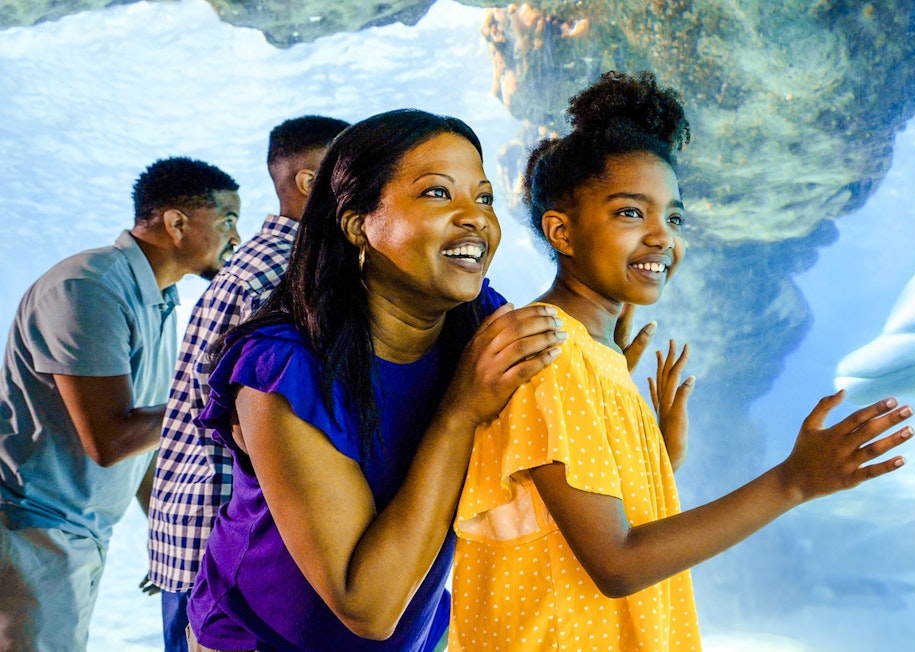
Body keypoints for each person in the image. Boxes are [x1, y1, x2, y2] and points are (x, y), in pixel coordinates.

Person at [449, 71, 915, 651]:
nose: (662, 237)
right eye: (629, 213)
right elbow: (615, 565)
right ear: (561, 232)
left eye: (674, 218)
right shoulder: (550, 354)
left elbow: (568, 521)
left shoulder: (596, 351)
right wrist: (793, 482)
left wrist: (659, 456)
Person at [183, 108, 574, 652]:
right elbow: (365, 605)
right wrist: (460, 409)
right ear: (357, 223)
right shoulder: (281, 372)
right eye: (438, 194)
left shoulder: (476, 320)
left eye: (483, 197)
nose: (476, 219)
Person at [0, 157, 241, 652]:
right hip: (31, 532)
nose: (236, 239)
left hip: (76, 535)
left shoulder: (162, 301)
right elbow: (111, 438)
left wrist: (167, 537)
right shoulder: (89, 287)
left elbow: (147, 439)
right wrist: (227, 401)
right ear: (176, 223)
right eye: (227, 221)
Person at [146, 115, 350, 652]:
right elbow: (266, 423)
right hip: (224, 546)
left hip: (195, 534)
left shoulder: (259, 262)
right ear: (311, 183)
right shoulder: (289, 271)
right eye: (359, 173)